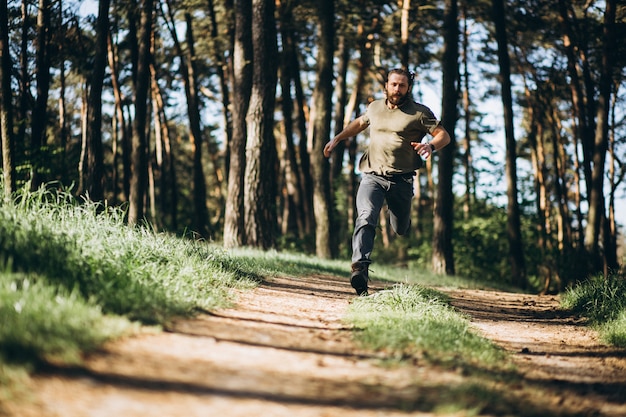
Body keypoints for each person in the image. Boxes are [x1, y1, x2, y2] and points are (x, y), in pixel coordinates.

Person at [323, 68, 451, 296]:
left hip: (402, 181)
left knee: (400, 228)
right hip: (372, 176)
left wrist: (430, 146)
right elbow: (359, 124)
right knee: (366, 217)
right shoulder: (375, 107)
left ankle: (402, 218)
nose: (397, 89)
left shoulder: (419, 113)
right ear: (386, 85)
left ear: (408, 87)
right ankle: (359, 269)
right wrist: (337, 138)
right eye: (393, 84)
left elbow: (444, 135)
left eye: (402, 85)